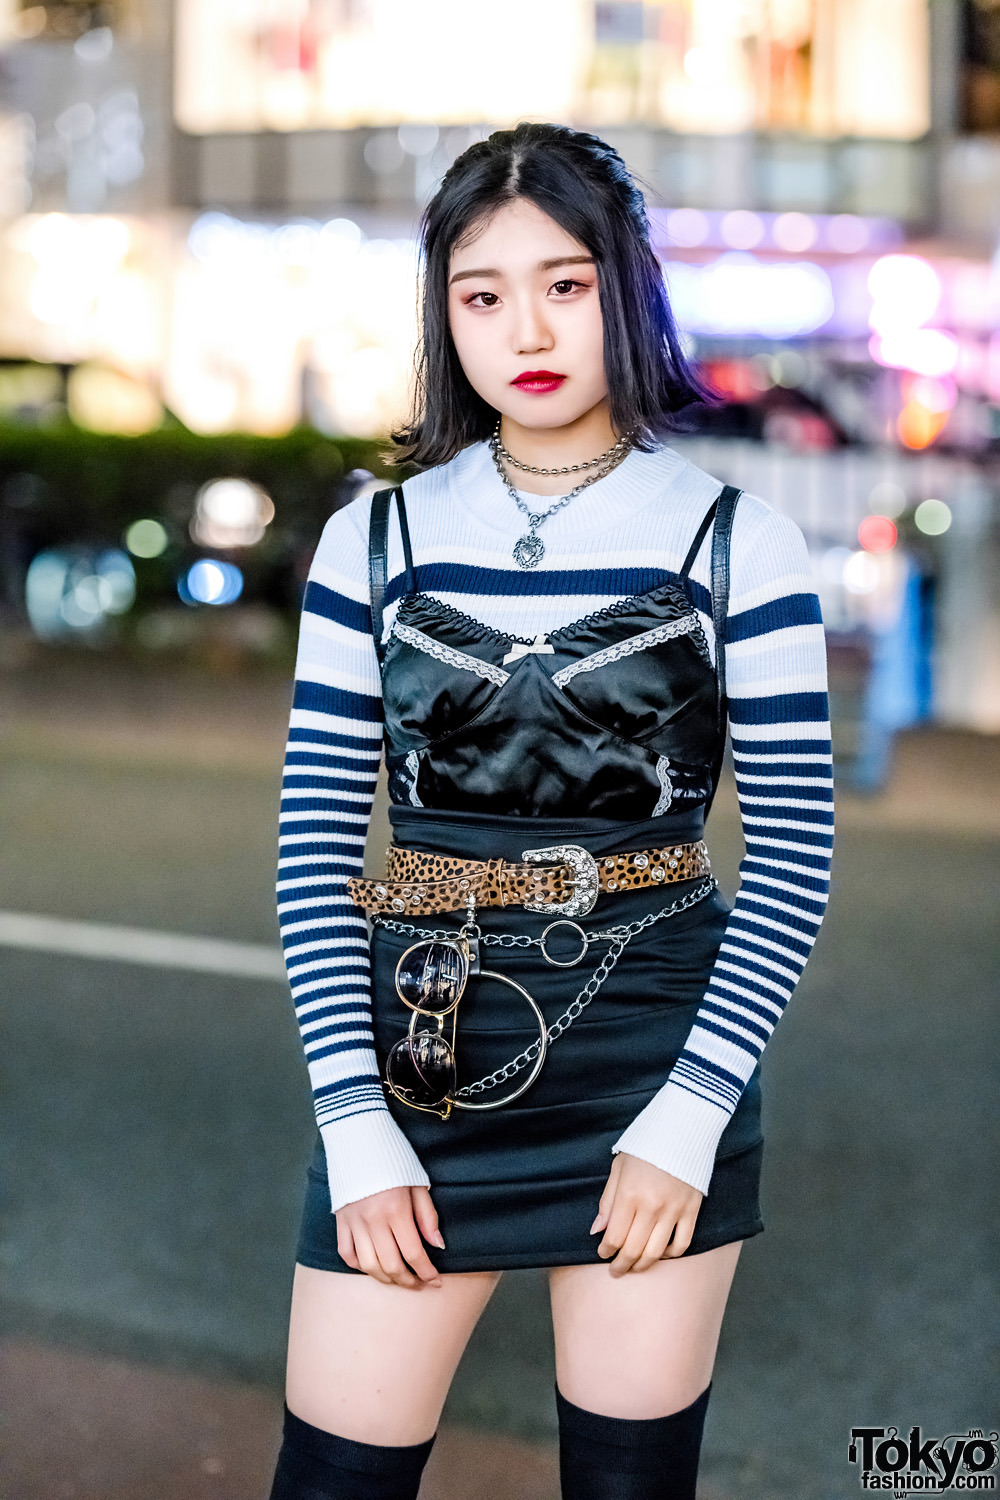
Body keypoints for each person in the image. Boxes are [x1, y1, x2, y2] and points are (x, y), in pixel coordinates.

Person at [268, 122, 833, 1500]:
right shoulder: (376, 537)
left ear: (626, 289)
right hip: (421, 1053)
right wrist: (353, 1121)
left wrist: (690, 1113)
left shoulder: (734, 536)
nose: (525, 325)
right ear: (443, 313)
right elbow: (312, 849)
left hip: (655, 1057)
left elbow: (796, 855)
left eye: (565, 283)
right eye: (481, 293)